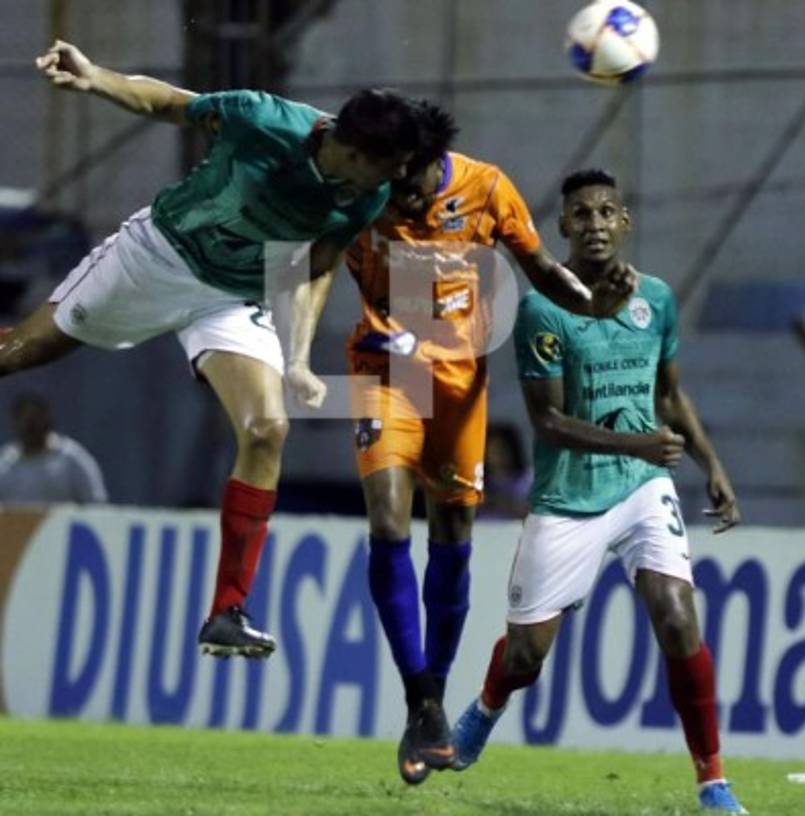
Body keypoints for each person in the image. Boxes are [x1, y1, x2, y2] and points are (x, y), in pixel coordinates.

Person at [10, 40, 423, 658]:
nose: (396, 180)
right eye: (390, 166)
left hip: (231, 297)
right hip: (155, 259)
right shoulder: (262, 119)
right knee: (21, 351)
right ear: (355, 151)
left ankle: (228, 610)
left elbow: (317, 265)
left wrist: (297, 358)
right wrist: (95, 77)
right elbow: (168, 103)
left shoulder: (368, 195)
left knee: (267, 429)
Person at [291, 102, 625, 784]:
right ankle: (419, 696)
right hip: (387, 371)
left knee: (451, 530)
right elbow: (314, 263)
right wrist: (294, 355)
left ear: (430, 163)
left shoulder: (486, 187)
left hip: (460, 381)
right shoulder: (366, 189)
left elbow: (539, 268)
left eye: (410, 184)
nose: (401, 197)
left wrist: (592, 306)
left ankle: (434, 700)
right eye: (390, 182)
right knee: (389, 522)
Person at [446, 169, 748, 814]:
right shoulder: (543, 308)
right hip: (568, 496)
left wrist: (712, 463)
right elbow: (548, 422)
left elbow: (669, 394)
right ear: (562, 227)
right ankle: (487, 706)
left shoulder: (655, 299)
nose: (595, 224)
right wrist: (638, 443)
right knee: (526, 655)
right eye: (581, 214)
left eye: (607, 211)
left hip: (643, 487)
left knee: (678, 618)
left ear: (625, 221)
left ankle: (713, 781)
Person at [0, 392, 107, 503]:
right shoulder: (4, 462)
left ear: (47, 420)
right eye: (26, 421)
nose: (31, 427)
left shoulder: (71, 459)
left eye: (36, 419)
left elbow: (96, 502)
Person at [481, 422, 531, 520]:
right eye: (493, 452)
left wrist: (495, 501)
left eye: (502, 450)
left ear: (513, 450)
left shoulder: (527, 479)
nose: (498, 457)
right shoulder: (476, 481)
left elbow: (534, 514)